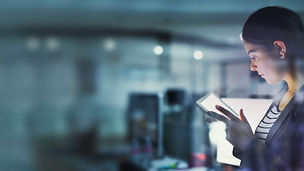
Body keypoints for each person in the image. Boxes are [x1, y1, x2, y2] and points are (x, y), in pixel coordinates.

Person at [206, 6, 304, 170]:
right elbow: (268, 158)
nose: (252, 66)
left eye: (254, 56)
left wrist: (249, 144)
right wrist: (243, 137)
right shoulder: (283, 95)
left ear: (280, 49)